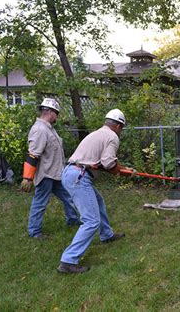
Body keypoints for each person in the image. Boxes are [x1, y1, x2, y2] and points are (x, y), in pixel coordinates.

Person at [57, 109, 136, 274]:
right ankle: (68, 260)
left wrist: (122, 169)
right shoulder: (112, 137)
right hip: (79, 176)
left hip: (72, 172)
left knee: (98, 201)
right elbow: (108, 164)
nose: (121, 131)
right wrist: (122, 172)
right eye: (121, 127)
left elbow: (98, 164)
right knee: (91, 220)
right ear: (117, 125)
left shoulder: (98, 134)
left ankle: (106, 234)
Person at [21, 98, 81, 239]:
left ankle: (72, 220)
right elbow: (33, 154)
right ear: (49, 112)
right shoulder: (39, 130)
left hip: (57, 173)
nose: (57, 117)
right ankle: (34, 231)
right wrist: (27, 178)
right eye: (56, 113)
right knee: (40, 202)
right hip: (45, 174)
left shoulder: (49, 129)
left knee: (68, 196)